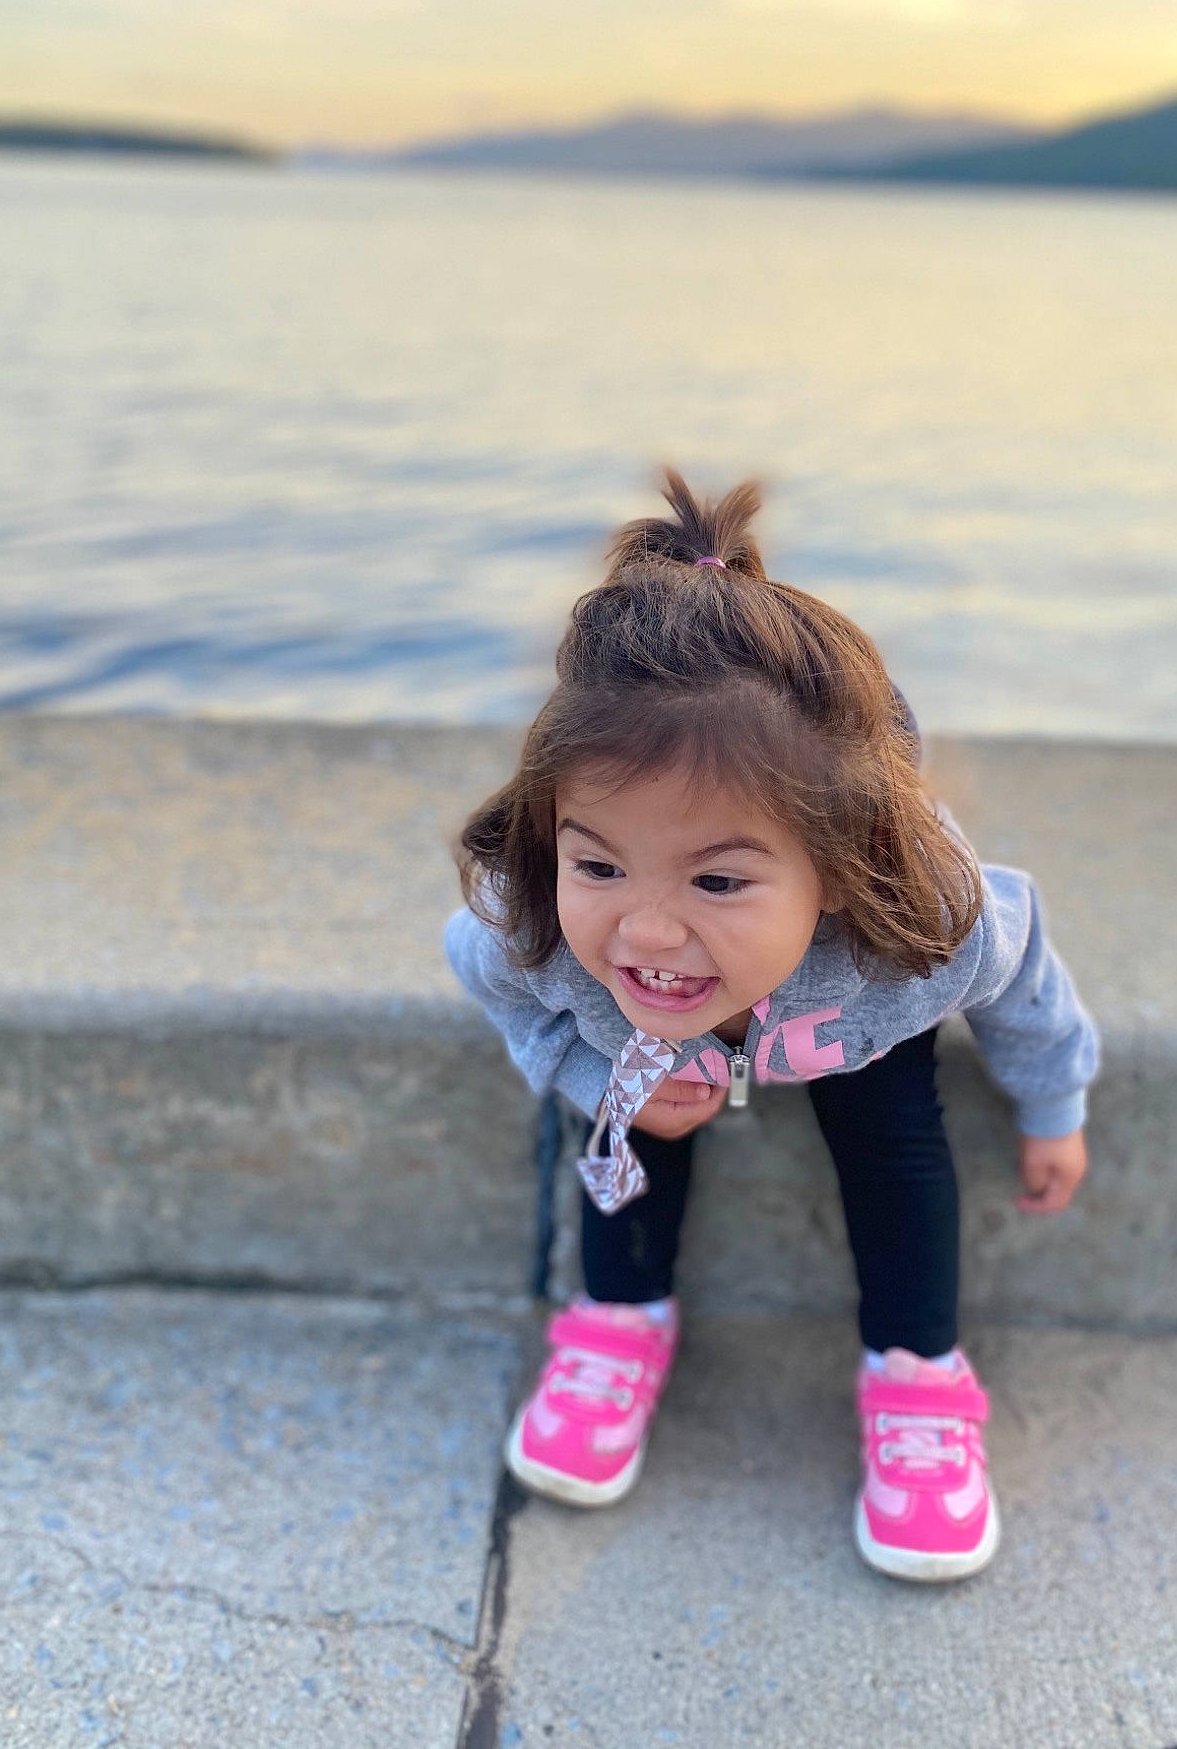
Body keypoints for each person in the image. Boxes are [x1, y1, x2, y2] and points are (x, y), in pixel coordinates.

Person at [445, 471, 1097, 1583]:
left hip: (849, 1022)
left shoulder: (923, 931)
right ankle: (618, 1318)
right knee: (630, 1114)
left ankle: (917, 1373)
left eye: (718, 880)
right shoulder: (543, 931)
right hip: (657, 1053)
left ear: (839, 868)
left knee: (897, 1139)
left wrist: (1053, 1103)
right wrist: (589, 1076)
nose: (648, 929)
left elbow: (1027, 980)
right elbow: (494, 984)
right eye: (598, 864)